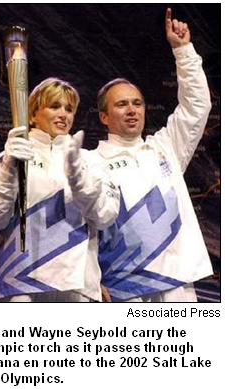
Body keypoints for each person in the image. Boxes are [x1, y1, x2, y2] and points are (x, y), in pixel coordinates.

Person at [84, 8, 213, 302]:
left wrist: (183, 50)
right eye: (122, 105)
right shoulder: (89, 162)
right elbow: (82, 229)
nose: (132, 110)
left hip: (176, 284)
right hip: (122, 287)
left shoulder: (165, 147)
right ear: (104, 116)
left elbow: (196, 107)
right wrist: (89, 280)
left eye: (138, 103)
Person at [0, 77, 119, 302]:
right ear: (33, 114)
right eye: (54, 106)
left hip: (76, 287)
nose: (64, 114)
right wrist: (8, 170)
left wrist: (81, 182)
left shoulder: (90, 162)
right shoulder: (7, 159)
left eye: (69, 109)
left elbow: (105, 217)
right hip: (18, 287)